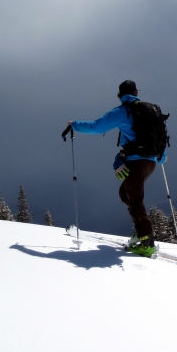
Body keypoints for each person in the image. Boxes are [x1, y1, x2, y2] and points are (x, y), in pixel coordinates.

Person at [67, 80, 166, 254]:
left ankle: (147, 244)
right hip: (150, 162)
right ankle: (142, 233)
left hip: (135, 163)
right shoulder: (151, 111)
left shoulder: (123, 111)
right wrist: (160, 158)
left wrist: (74, 125)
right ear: (136, 93)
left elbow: (96, 127)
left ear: (120, 95)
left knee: (135, 202)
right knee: (125, 193)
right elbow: (161, 137)